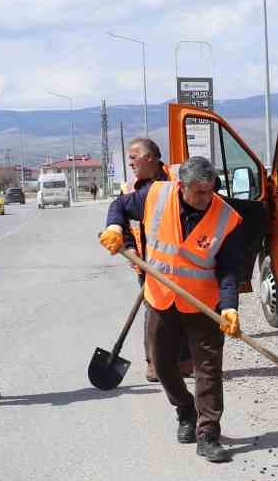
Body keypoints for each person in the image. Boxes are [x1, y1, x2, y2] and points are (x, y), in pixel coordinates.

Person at [99, 155, 245, 463]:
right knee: (163, 364)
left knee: (207, 369)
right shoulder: (155, 195)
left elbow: (229, 270)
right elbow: (120, 206)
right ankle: (184, 410)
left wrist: (230, 308)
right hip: (161, 297)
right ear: (181, 186)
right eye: (199, 192)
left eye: (210, 190)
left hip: (204, 306)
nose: (206, 198)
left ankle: (208, 434)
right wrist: (115, 228)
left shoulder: (226, 218)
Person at [123, 137, 192, 383]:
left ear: (150, 157)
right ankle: (154, 363)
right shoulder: (130, 188)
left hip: (182, 262)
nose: (130, 162)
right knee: (155, 311)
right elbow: (125, 224)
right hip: (146, 263)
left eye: (133, 157)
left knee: (184, 309)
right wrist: (129, 248)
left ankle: (184, 362)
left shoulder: (176, 178)